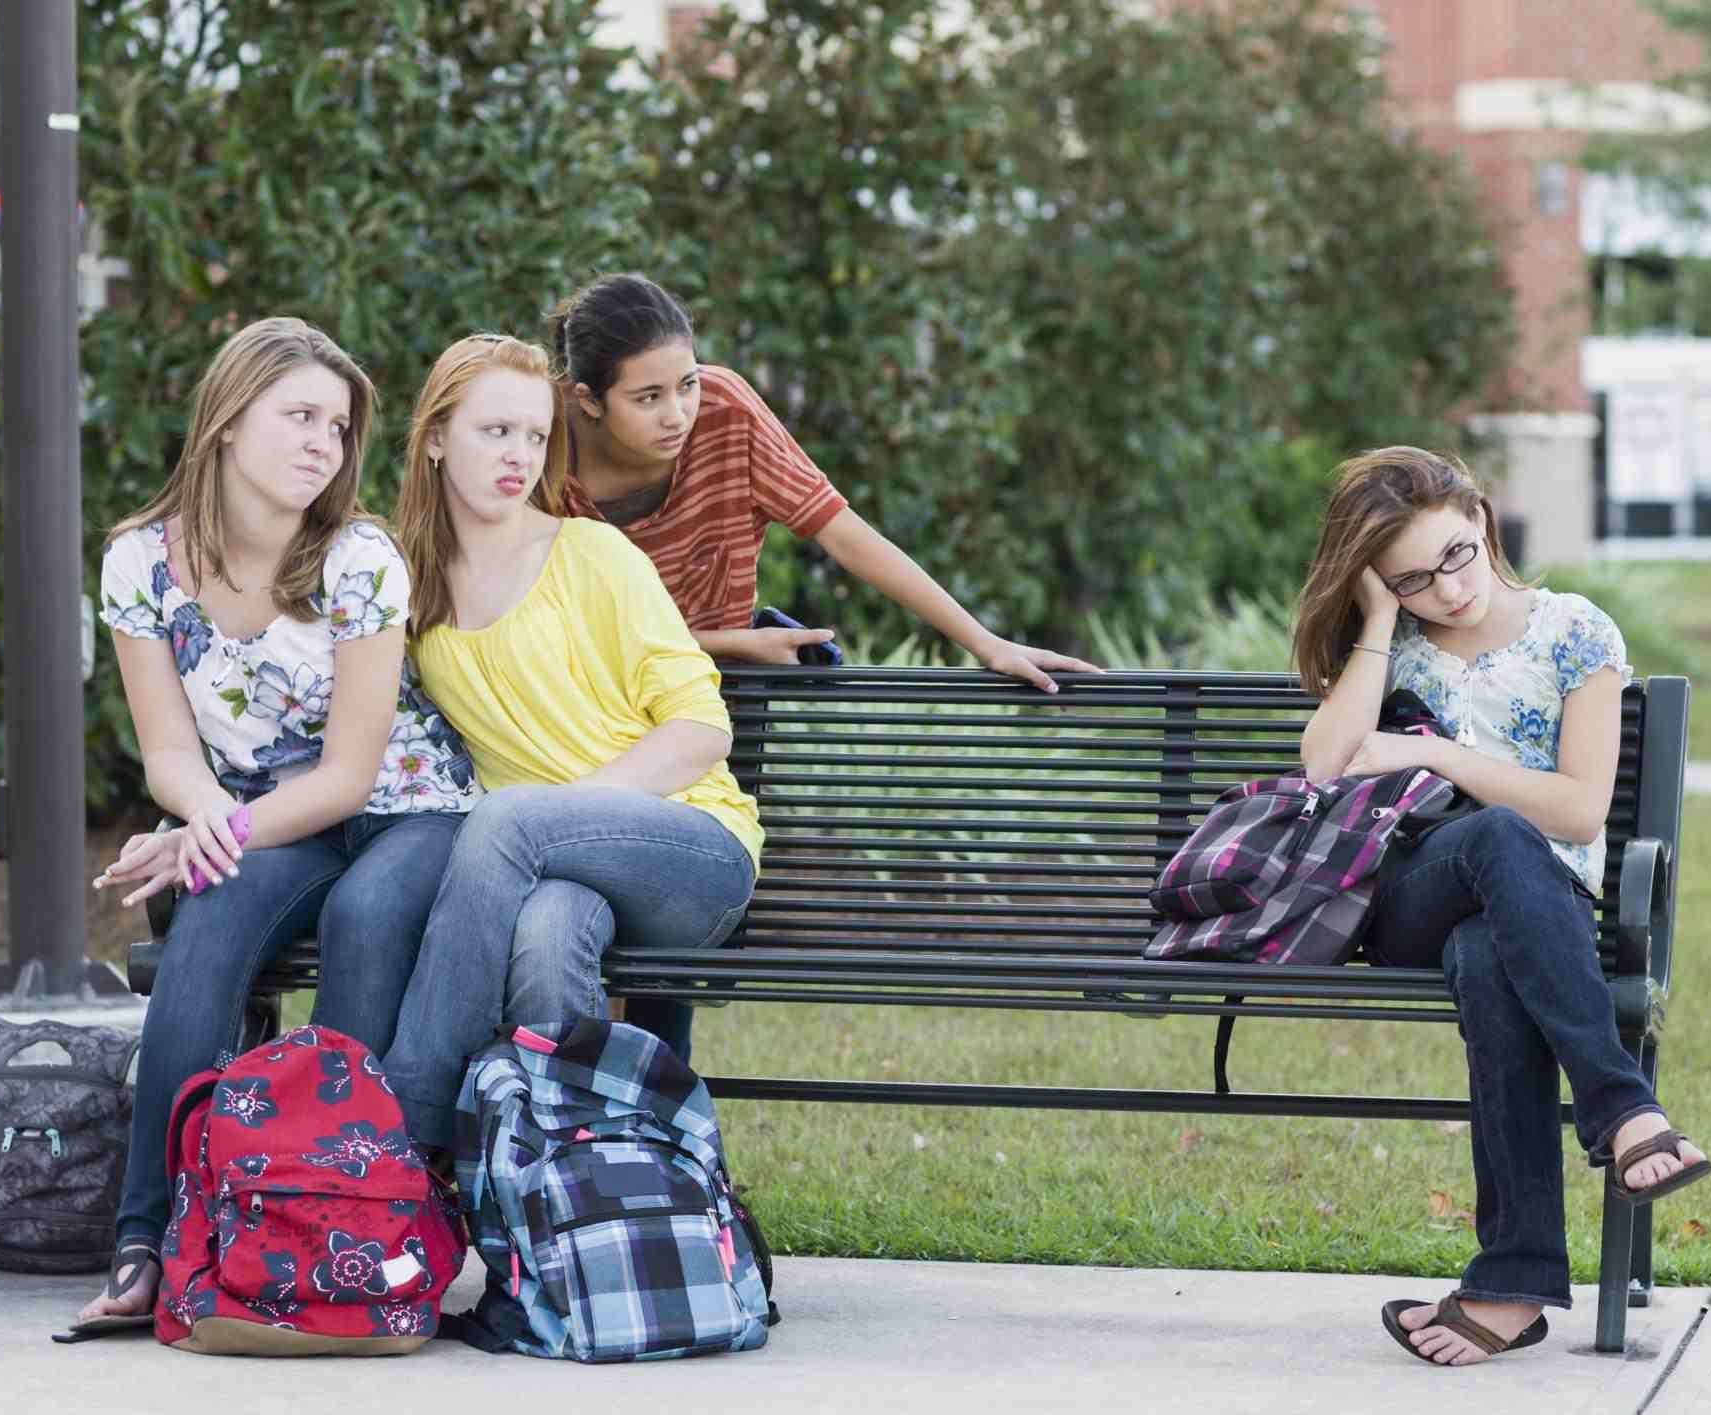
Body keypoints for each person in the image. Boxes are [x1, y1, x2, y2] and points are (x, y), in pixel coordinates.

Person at [75, 318, 481, 1328]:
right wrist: (206, 816)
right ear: (225, 420)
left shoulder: (357, 557)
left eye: (338, 427)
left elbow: (350, 773)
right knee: (204, 919)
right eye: (298, 415)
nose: (323, 444)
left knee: (369, 912)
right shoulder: (139, 563)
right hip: (268, 813)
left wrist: (216, 827)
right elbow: (169, 750)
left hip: (409, 808)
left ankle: (329, 1221)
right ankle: (148, 1243)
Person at [1293, 447, 1711, 1367]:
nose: (1446, 588)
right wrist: (1372, 619)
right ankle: (1623, 1108)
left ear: (1481, 520)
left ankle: (1511, 1285)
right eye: (1410, 577)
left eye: (1454, 554)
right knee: (1493, 837)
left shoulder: (1574, 633)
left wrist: (1436, 756)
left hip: (1533, 913)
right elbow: (1324, 766)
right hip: (1408, 900)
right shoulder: (1391, 643)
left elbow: (1577, 809)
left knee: (1493, 949)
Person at [378, 333, 762, 1149]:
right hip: (552, 871)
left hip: (693, 850)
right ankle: (561, 1196)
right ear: (437, 438)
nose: (520, 454)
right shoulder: (406, 590)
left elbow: (702, 727)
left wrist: (564, 813)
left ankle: (401, 1139)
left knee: (509, 819)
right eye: (495, 432)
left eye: (534, 434)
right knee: (550, 930)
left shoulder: (592, 554)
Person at [546, 272, 1099, 691]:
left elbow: (845, 535)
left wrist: (983, 642)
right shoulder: (539, 445)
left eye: (686, 384)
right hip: (583, 707)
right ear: (588, 399)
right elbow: (550, 631)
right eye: (648, 398)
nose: (678, 414)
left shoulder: (725, 412)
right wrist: (732, 643)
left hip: (711, 709)